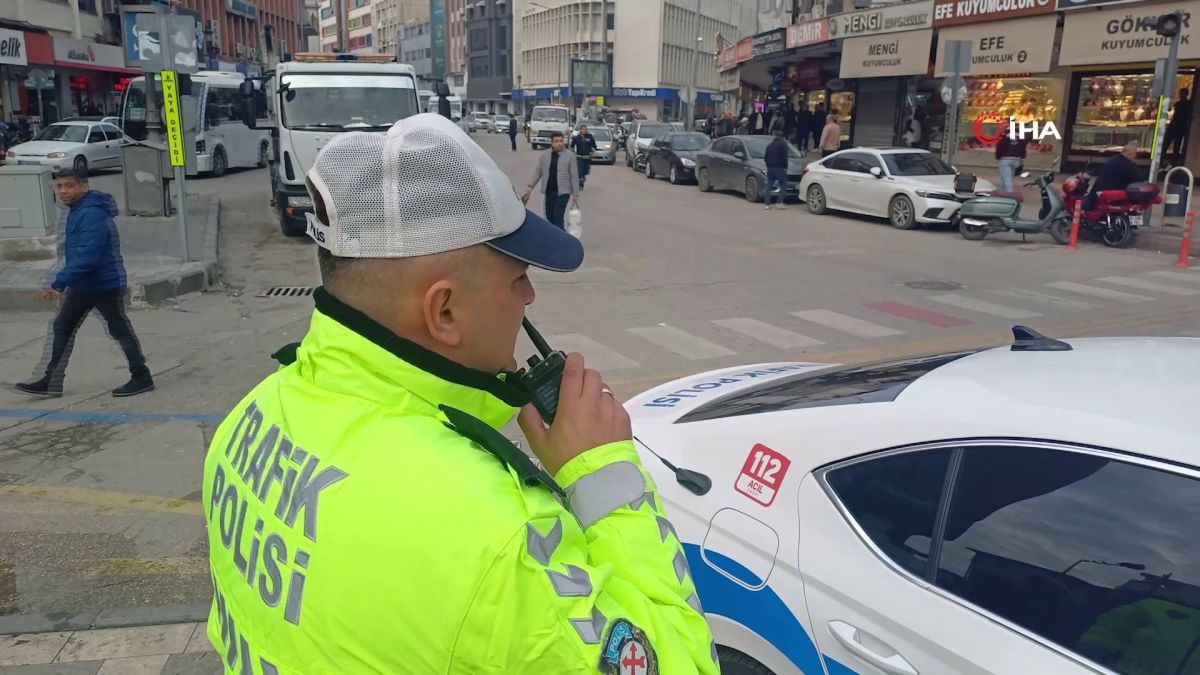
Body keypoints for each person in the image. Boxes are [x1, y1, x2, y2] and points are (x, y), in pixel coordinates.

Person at [202, 113, 718, 674]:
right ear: (444, 311)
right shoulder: (495, 545)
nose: (529, 296)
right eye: (517, 277)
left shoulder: (249, 420)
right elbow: (684, 663)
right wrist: (605, 478)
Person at [13, 168, 153, 398]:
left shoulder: (91, 213)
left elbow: (88, 256)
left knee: (118, 329)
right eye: (59, 186)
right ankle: (51, 381)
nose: (63, 191)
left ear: (84, 186)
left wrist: (59, 283)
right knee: (62, 326)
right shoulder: (78, 209)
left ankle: (142, 376)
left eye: (69, 185)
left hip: (103, 285)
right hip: (82, 285)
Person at [523, 131, 579, 228]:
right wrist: (530, 187)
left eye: (561, 141)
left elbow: (574, 175)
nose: (559, 143)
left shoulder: (570, 156)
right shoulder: (545, 155)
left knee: (557, 216)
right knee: (549, 216)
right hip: (549, 191)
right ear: (551, 142)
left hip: (563, 192)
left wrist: (575, 193)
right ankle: (554, 235)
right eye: (556, 141)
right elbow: (538, 171)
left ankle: (561, 236)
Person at [1085, 141, 1146, 210]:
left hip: (1097, 194)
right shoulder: (1126, 165)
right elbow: (1140, 177)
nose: (1135, 156)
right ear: (1129, 154)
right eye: (1135, 153)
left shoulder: (1114, 159)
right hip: (1107, 197)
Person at [763, 128, 790, 211]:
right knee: (784, 184)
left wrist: (768, 165)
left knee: (769, 185)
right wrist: (785, 166)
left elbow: (765, 157)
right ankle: (779, 202)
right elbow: (784, 157)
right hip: (780, 168)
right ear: (783, 137)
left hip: (770, 168)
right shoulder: (783, 145)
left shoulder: (770, 145)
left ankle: (767, 204)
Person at [994, 127, 1027, 194]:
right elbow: (1023, 147)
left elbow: (1000, 147)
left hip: (1004, 159)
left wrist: (997, 157)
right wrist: (1022, 157)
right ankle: (1002, 193)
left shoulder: (1003, 135)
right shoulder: (1020, 136)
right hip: (1016, 160)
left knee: (1007, 179)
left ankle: (1010, 194)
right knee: (1007, 178)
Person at [1165, 88, 1193, 160]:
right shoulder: (1180, 104)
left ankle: (1172, 160)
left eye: (1182, 94)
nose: (1181, 95)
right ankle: (1171, 159)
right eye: (1181, 94)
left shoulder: (1185, 104)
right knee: (1170, 144)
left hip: (1178, 127)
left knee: (1175, 145)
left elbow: (1181, 116)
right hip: (1176, 127)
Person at [569, 124, 597, 189]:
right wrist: (573, 153)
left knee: (586, 171)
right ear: (580, 130)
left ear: (586, 130)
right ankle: (581, 184)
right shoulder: (576, 138)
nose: (584, 130)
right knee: (580, 171)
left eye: (585, 129)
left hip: (587, 157)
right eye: (582, 129)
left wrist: (592, 152)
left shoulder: (590, 137)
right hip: (579, 157)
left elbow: (594, 146)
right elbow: (572, 146)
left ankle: (582, 177)